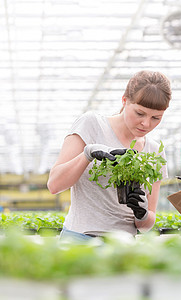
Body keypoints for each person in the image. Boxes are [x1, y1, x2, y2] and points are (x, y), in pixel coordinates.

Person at [47, 70, 171, 241]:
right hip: (79, 238)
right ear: (125, 100)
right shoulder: (92, 124)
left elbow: (147, 225)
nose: (146, 123)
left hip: (123, 245)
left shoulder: (155, 152)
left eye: (156, 117)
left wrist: (141, 214)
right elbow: (54, 185)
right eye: (140, 113)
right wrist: (87, 154)